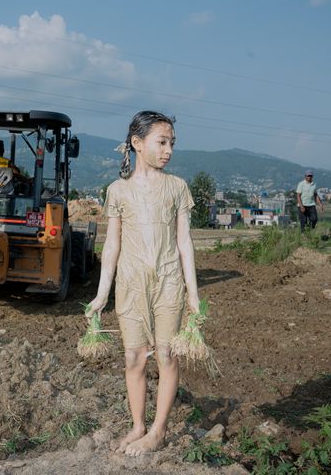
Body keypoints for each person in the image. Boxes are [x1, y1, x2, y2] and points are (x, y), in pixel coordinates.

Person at [88, 111, 200, 457]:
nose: (168, 150)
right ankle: (138, 425)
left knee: (167, 355)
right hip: (131, 283)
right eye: (161, 142)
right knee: (134, 357)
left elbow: (185, 242)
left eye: (171, 144)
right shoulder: (117, 191)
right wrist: (101, 294)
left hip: (169, 281)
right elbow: (112, 245)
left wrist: (193, 295)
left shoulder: (178, 187)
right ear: (137, 143)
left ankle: (158, 430)